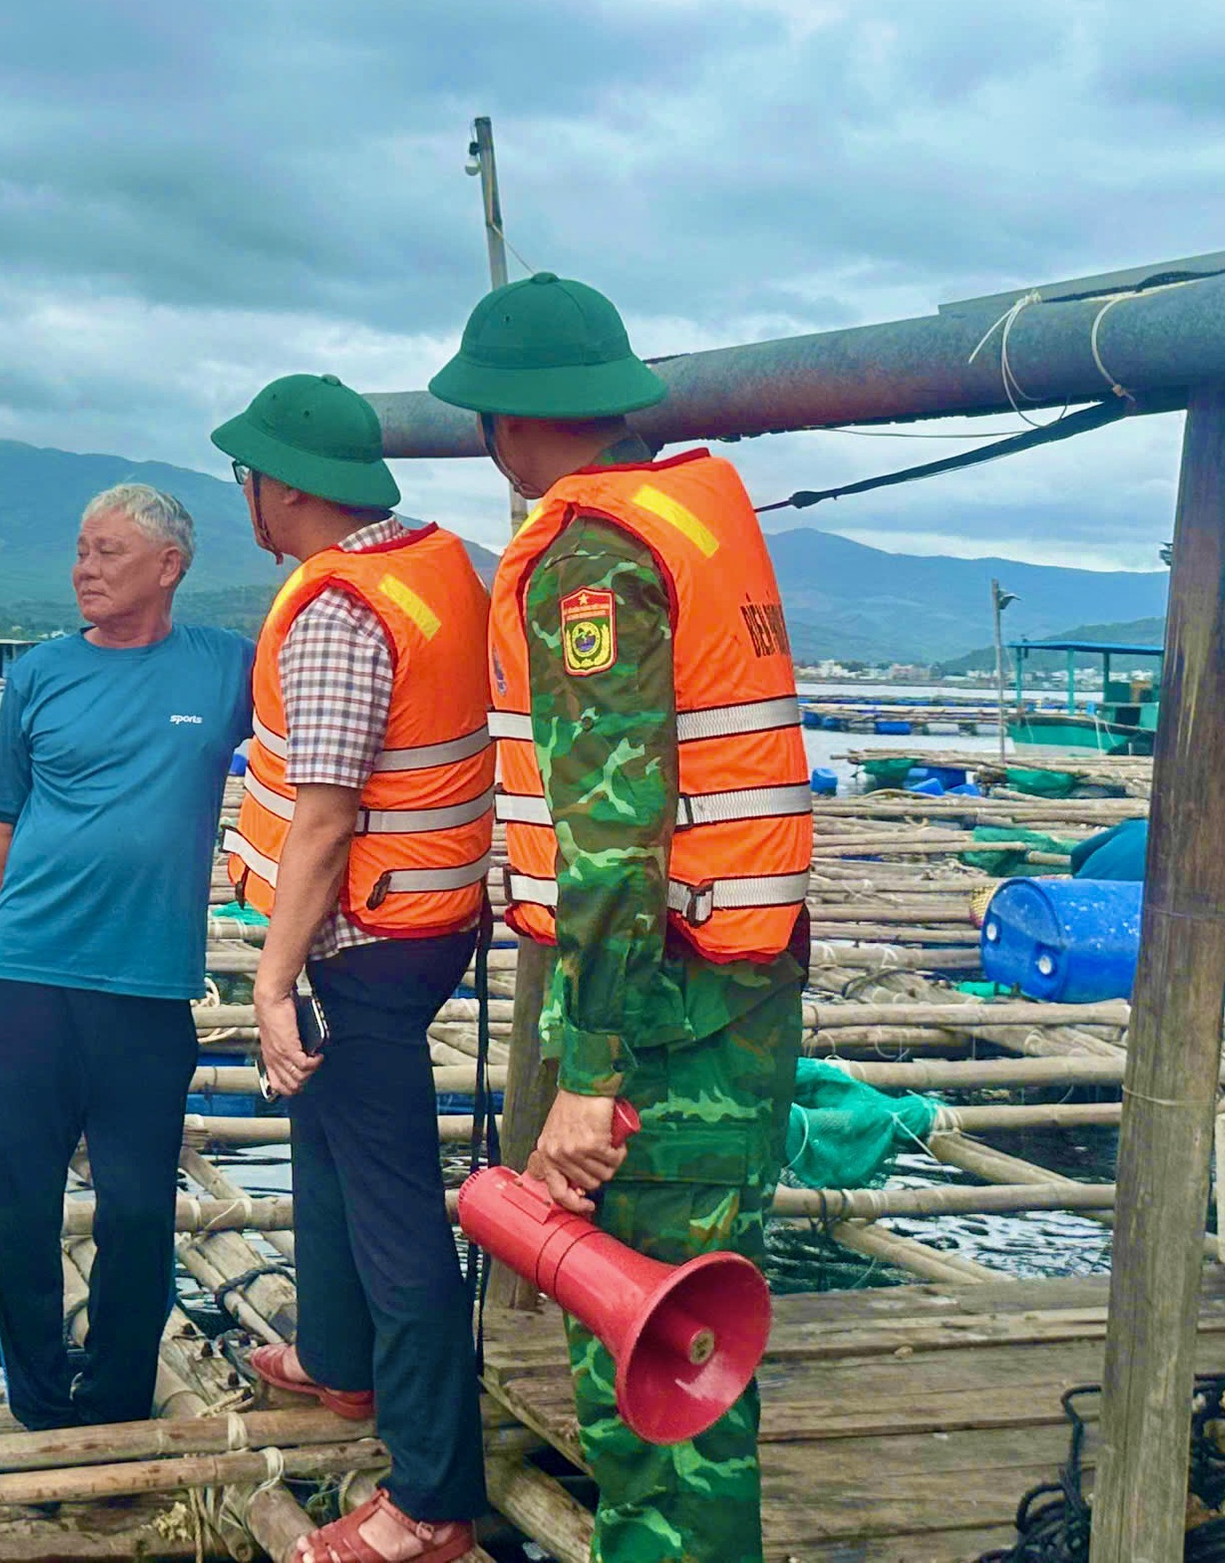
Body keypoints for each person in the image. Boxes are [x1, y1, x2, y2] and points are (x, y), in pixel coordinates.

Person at [430, 275, 811, 1563]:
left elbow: (609, 838)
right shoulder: (688, 519)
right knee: (696, 1353)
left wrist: (585, 1076)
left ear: (506, 422)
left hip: (662, 1019)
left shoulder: (587, 556)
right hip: (733, 993)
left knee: (657, 1380)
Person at [211, 376, 493, 1563]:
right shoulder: (431, 564)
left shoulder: (336, 613)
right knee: (322, 1138)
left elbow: (322, 819)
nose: (245, 498)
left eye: (246, 477)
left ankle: (430, 1500)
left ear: (282, 486)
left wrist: (273, 984)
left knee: (392, 1212)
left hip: (363, 942)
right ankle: (339, 1361)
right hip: (424, 920)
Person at [0, 484, 254, 1430]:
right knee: (20, 1199)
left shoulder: (227, 669)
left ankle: (118, 1390)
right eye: (80, 550)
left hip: (147, 980)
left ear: (169, 566)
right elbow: (3, 821)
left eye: (107, 552)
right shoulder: (39, 674)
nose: (83, 570)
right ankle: (37, 1400)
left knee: (137, 1205)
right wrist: (1, 943)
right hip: (29, 975)